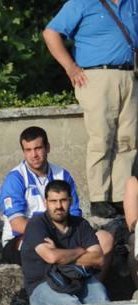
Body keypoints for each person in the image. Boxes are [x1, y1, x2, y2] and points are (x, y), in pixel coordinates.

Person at [44, 1, 138, 217]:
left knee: (128, 140)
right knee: (101, 138)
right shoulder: (82, 2)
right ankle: (99, 197)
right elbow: (51, 33)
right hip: (96, 76)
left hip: (130, 75)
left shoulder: (132, 3)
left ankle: (121, 196)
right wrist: (70, 67)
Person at [0, 126, 88, 262]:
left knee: (105, 239)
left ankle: (88, 281)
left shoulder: (63, 175)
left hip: (62, 235)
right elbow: (17, 224)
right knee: (47, 249)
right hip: (22, 239)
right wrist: (51, 236)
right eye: (28, 150)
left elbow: (74, 214)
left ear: (48, 148)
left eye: (38, 148)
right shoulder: (15, 179)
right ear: (23, 152)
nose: (34, 155)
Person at [21, 179, 111, 305]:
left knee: (101, 300)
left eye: (63, 200)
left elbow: (98, 258)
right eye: (53, 201)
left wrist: (60, 255)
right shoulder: (36, 224)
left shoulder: (81, 224)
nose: (58, 206)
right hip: (42, 285)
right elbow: (51, 257)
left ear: (70, 200)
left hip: (79, 280)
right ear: (45, 202)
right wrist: (80, 251)